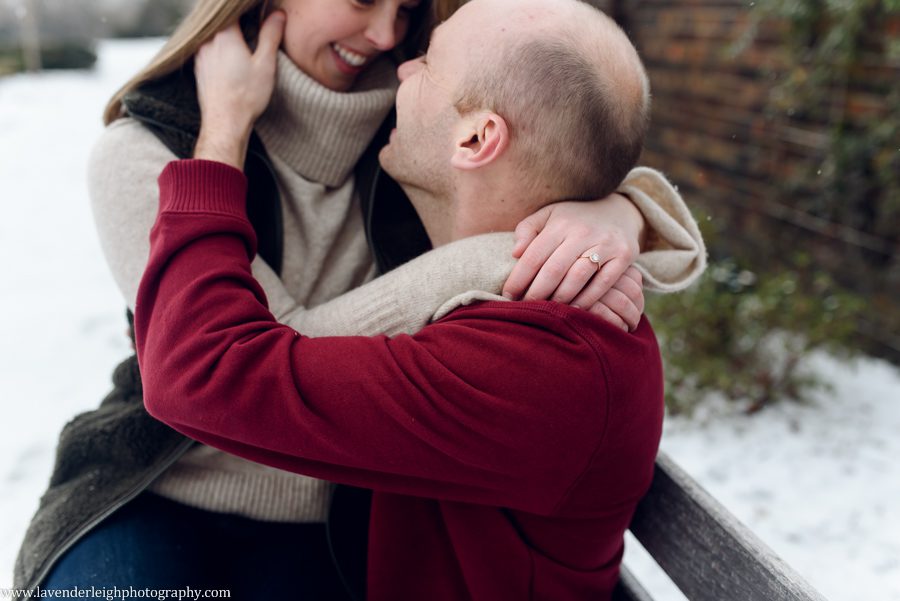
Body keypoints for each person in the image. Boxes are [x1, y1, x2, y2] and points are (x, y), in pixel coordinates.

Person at [15, 0, 705, 596]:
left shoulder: (412, 142)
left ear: (473, 139)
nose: (391, 43)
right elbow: (538, 147)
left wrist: (618, 209)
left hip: (332, 511)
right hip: (164, 481)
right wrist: (521, 246)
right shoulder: (422, 141)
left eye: (411, 19)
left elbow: (563, 129)